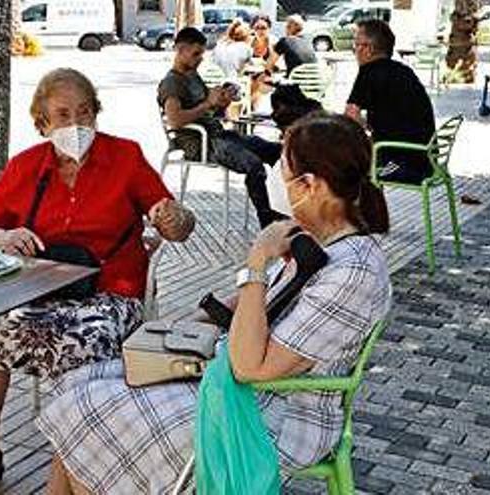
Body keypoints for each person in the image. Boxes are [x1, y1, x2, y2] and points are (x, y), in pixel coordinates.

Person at [36, 112, 392, 494]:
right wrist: (191, 321)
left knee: (88, 409)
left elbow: (250, 366)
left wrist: (256, 262)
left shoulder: (353, 271)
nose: (274, 177)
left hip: (280, 416)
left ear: (310, 185)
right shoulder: (318, 239)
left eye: (282, 171)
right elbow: (259, 302)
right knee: (77, 383)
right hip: (236, 386)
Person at [0, 68, 196, 495]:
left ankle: (72, 475)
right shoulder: (26, 166)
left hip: (112, 293)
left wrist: (175, 219)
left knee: (81, 344)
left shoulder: (125, 157)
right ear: (42, 123)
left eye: (85, 112)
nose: (76, 124)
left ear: (96, 114)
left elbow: (177, 223)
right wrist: (2, 238)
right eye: (63, 115)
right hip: (39, 291)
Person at [159, 27, 287, 228]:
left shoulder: (192, 75)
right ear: (180, 50)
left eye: (202, 54)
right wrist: (208, 104)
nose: (200, 59)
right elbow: (175, 120)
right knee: (253, 165)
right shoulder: (172, 83)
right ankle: (268, 222)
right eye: (196, 54)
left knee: (279, 152)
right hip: (202, 143)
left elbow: (209, 108)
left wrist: (223, 99)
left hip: (218, 134)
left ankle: (283, 208)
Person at [345, 19, 436, 185]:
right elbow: (396, 118)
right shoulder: (404, 71)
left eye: (356, 45)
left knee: (341, 169)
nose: (354, 51)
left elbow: (350, 118)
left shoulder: (368, 72)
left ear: (368, 49)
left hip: (404, 164)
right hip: (425, 159)